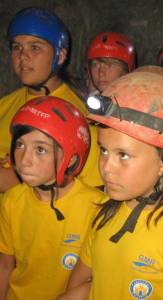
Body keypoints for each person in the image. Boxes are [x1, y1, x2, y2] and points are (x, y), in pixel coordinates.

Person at [63, 69, 163, 299]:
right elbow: (87, 284)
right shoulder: (106, 213)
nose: (106, 167)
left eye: (123, 155)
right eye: (104, 151)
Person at [0, 97, 108, 299]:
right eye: (20, 145)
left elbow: (101, 279)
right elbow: (5, 265)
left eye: (40, 150)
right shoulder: (12, 200)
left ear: (72, 158)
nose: (24, 160)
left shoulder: (97, 207)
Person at [0, 7, 102, 194]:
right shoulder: (4, 105)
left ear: (60, 56)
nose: (23, 56)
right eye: (17, 47)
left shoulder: (77, 116)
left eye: (35, 47)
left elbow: (89, 193)